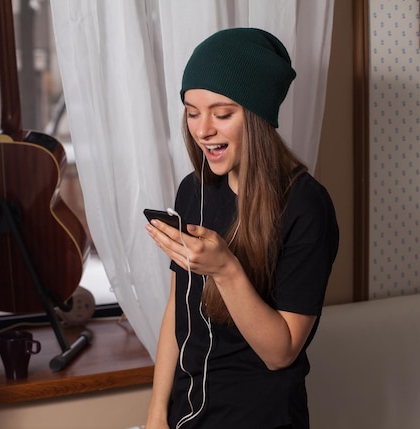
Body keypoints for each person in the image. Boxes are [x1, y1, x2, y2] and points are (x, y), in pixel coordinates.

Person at [144, 28, 339, 429]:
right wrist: (157, 413)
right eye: (192, 111)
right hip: (186, 414)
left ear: (258, 114)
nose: (202, 130)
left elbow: (280, 352)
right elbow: (176, 310)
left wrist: (225, 269)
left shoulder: (306, 206)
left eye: (223, 113)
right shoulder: (193, 190)